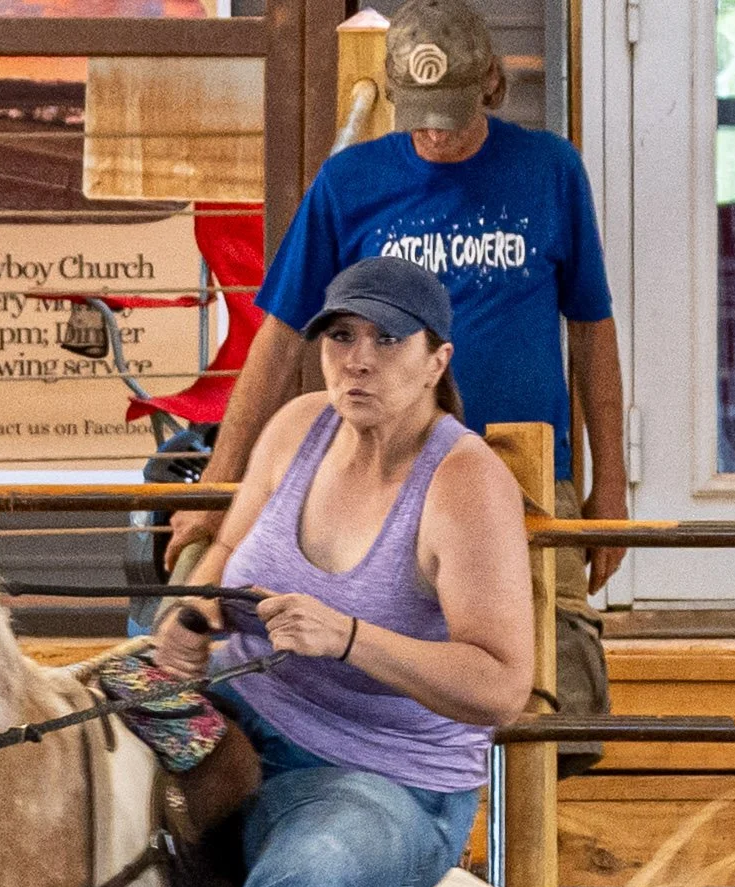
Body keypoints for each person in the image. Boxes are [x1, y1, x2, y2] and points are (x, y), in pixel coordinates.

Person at [145, 255, 532, 887]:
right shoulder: (293, 428)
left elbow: (501, 684)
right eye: (339, 337)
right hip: (240, 711)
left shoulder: (467, 484)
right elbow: (222, 568)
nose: (356, 361)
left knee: (307, 868)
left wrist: (353, 639)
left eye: (385, 340)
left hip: (389, 776)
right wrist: (187, 625)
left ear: (436, 358)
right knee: (77, 744)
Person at [166, 0, 623, 771]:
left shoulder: (550, 169)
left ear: (491, 87)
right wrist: (217, 486)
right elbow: (279, 334)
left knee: (550, 706)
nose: (435, 134)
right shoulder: (351, 181)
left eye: (450, 113)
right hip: (379, 474)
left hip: (528, 473)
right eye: (418, 115)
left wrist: (609, 479)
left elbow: (592, 328)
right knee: (363, 664)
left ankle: (518, 869)